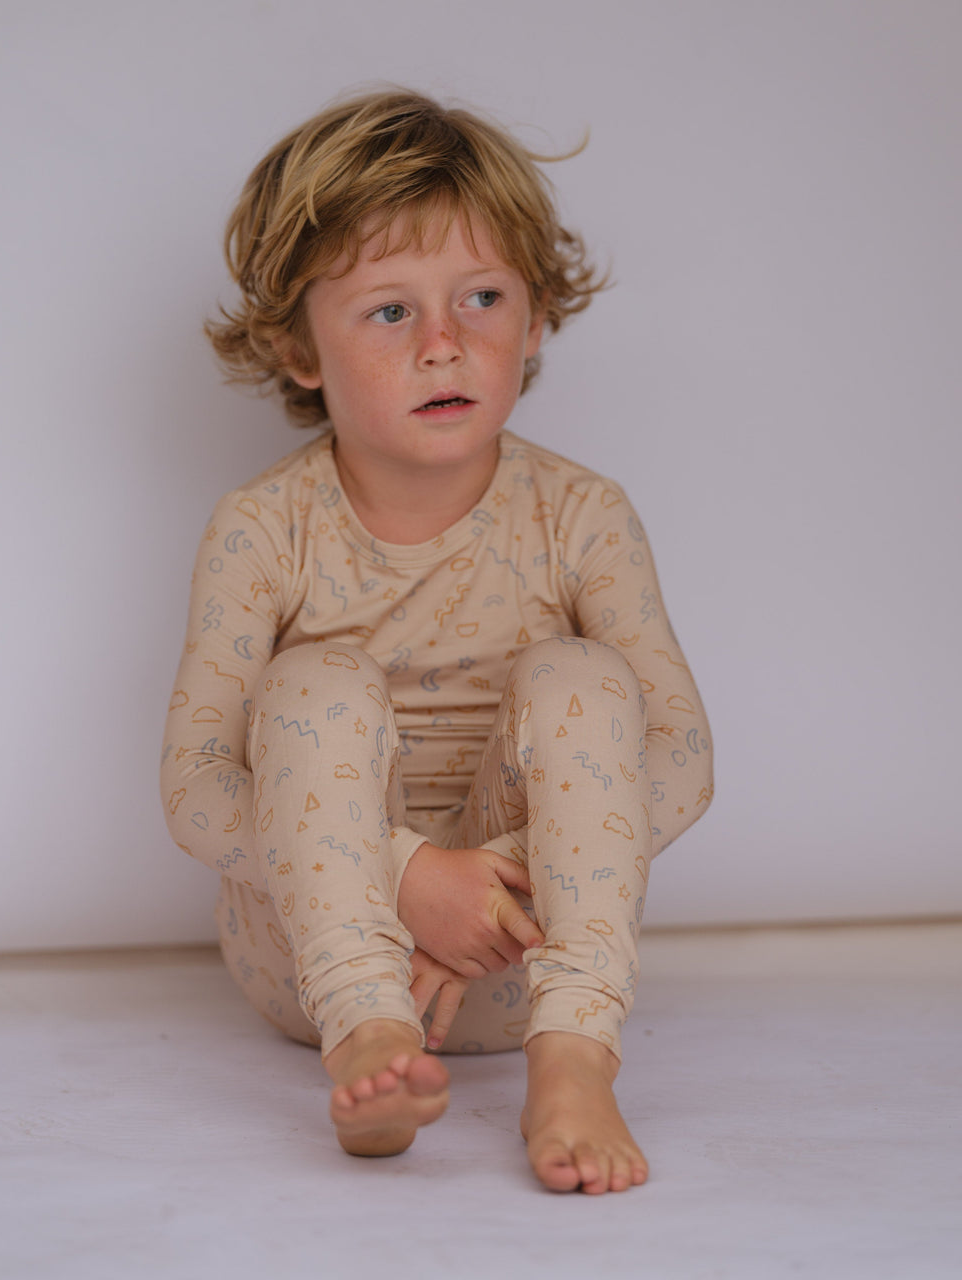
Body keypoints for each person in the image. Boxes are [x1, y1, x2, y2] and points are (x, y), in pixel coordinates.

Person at [160, 88, 713, 1195]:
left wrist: (497, 898)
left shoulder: (582, 514)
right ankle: (369, 1041)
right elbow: (196, 786)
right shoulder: (262, 529)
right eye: (388, 311)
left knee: (584, 675)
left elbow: (682, 758)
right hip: (310, 962)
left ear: (536, 319)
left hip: (527, 955)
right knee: (311, 680)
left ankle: (574, 1059)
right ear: (296, 346)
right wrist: (404, 878)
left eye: (480, 297)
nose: (445, 343)